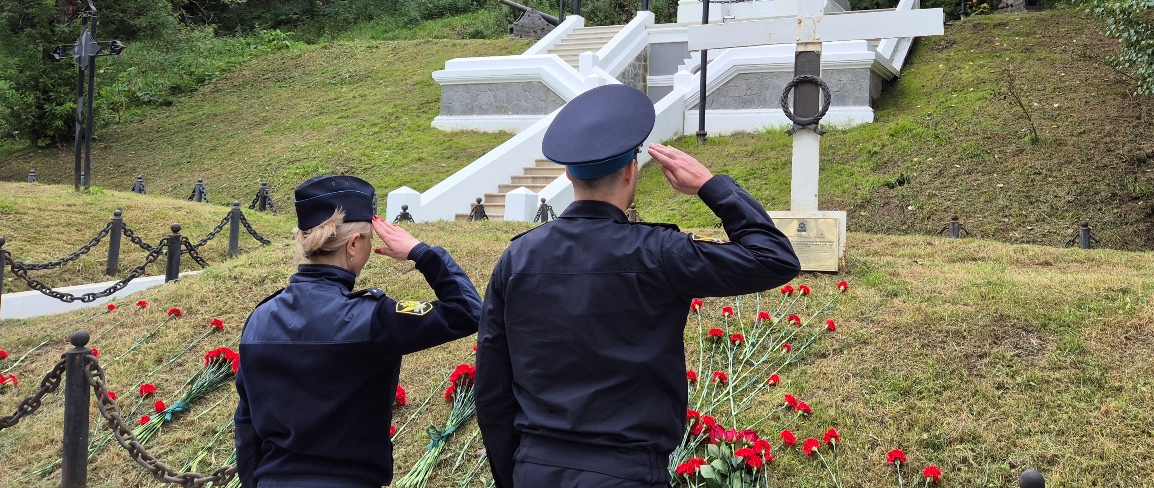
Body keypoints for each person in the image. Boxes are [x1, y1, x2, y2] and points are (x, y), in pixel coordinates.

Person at [475, 84, 802, 488]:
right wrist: (710, 185)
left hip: (535, 468)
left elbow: (491, 383)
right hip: (625, 471)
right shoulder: (661, 252)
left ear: (567, 173)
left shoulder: (517, 258)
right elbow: (775, 258)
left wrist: (516, 474)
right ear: (631, 170)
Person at [234, 175, 483, 488]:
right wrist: (421, 252)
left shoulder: (259, 318)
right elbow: (468, 310)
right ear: (353, 245)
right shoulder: (372, 317)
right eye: (368, 239)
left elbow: (246, 423)